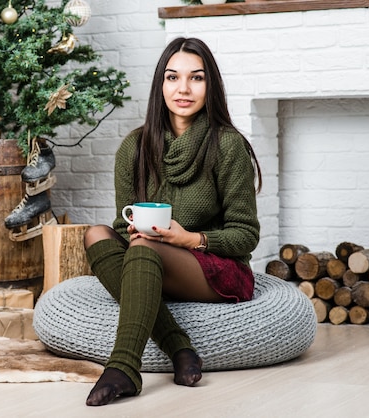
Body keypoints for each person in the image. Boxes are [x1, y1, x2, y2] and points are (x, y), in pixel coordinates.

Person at [83, 37, 263, 407]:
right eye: (172, 77)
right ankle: (179, 346)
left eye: (196, 78)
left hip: (215, 269)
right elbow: (122, 228)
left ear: (210, 85)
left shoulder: (227, 145)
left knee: (145, 246)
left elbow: (245, 235)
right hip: (150, 260)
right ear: (159, 85)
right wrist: (135, 235)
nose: (183, 89)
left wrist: (190, 239)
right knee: (95, 234)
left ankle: (123, 367)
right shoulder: (134, 148)